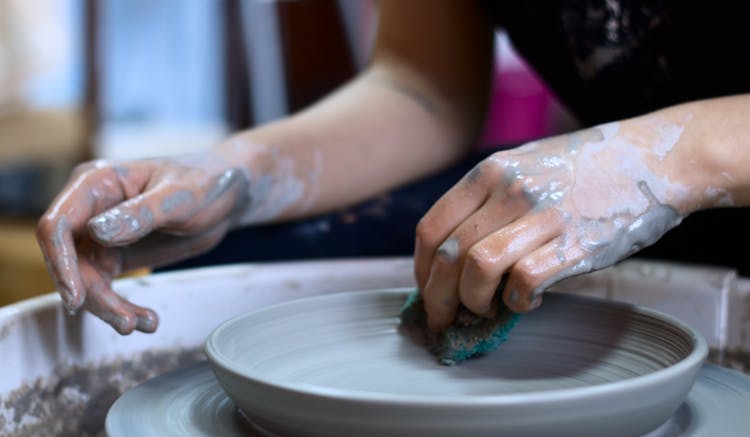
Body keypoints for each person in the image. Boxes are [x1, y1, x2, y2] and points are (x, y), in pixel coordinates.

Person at [36, 0, 750, 335]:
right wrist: (238, 174)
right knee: (228, 276)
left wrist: (665, 160)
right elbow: (423, 85)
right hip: (615, 187)